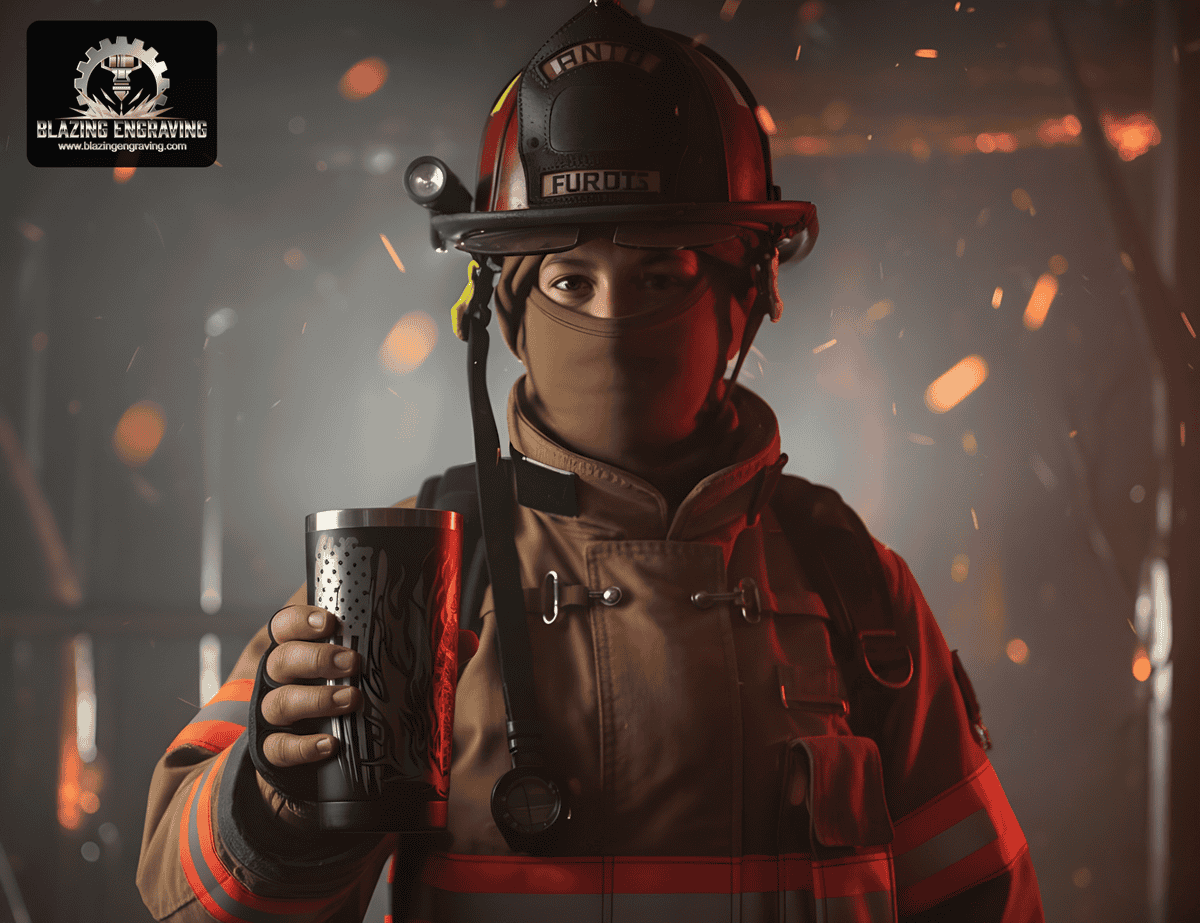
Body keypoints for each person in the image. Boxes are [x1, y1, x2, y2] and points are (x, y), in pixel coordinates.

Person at [137, 2, 1045, 921]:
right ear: (509, 314)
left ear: (747, 296)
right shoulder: (412, 580)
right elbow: (194, 899)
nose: (612, 323)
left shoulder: (851, 583)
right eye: (571, 281)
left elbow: (986, 898)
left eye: (660, 275)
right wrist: (279, 800)